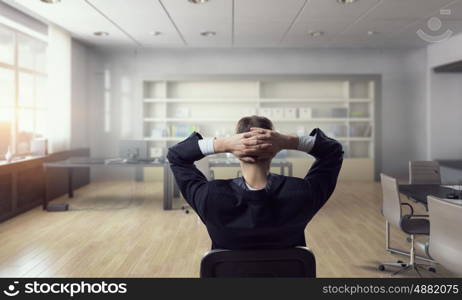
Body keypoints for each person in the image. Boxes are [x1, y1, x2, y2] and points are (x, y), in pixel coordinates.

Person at [167, 115, 343, 250]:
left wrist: (223, 144)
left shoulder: (209, 196)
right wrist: (286, 141)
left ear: (235, 150)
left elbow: (176, 155)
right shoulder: (302, 193)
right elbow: (333, 151)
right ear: (275, 150)